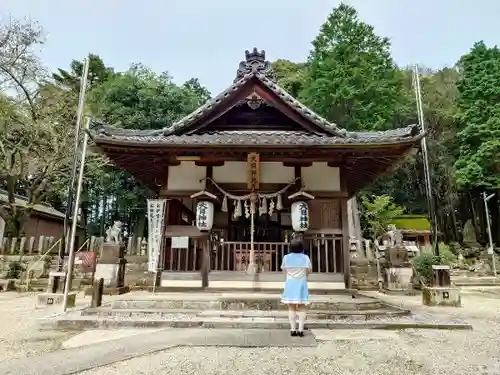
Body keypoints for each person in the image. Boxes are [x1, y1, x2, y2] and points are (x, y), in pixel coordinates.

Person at [280, 238, 312, 337]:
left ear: (290, 248)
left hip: (290, 284)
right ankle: (301, 330)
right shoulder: (305, 258)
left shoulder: (286, 257)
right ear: (302, 248)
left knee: (291, 306)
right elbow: (309, 271)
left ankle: (293, 329)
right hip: (301, 283)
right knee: (302, 306)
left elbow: (284, 271)